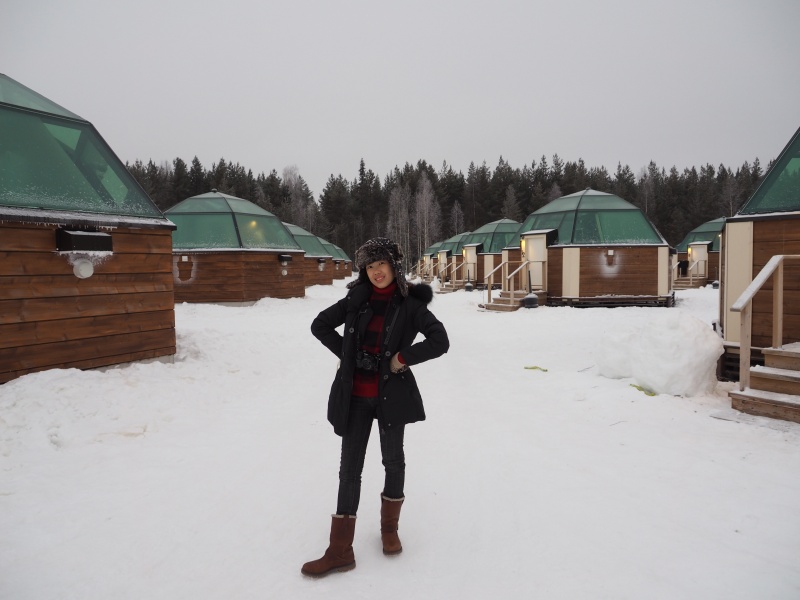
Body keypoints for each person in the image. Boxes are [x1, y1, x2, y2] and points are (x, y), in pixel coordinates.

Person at [301, 237, 449, 578]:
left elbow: (440, 340)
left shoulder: (410, 304)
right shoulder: (356, 299)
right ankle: (340, 551)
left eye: (380, 264)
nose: (375, 272)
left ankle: (389, 529)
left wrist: (401, 358)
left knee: (392, 460)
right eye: (369, 266)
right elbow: (319, 325)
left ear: (393, 266)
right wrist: (348, 355)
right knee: (349, 469)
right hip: (354, 396)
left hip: (390, 397)